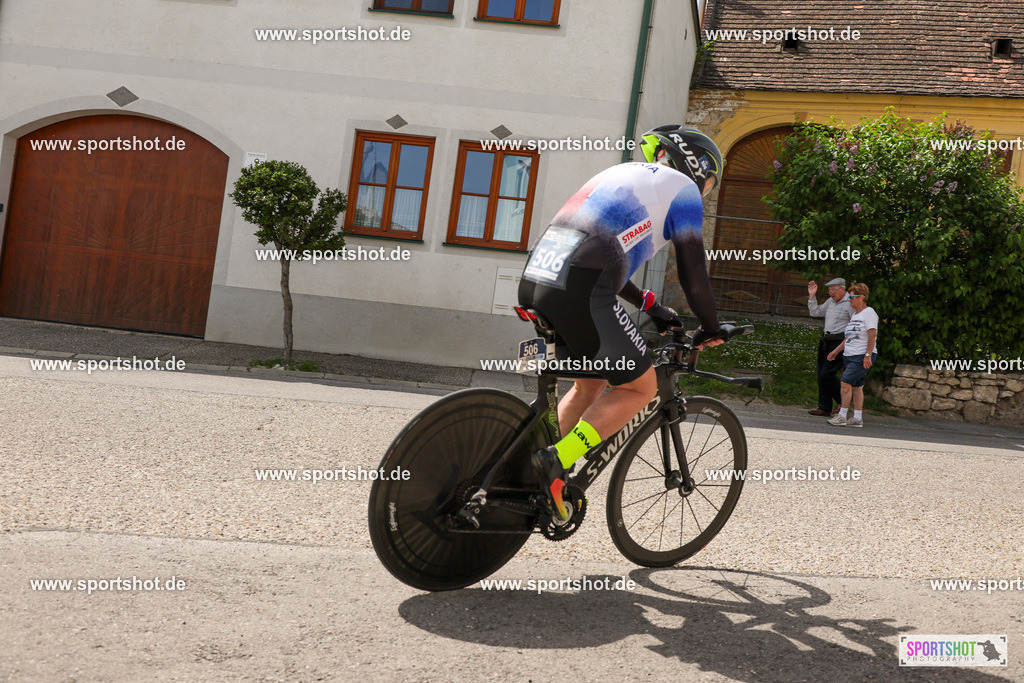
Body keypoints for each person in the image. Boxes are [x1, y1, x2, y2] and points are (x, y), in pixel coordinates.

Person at [518, 124, 727, 521]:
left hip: (537, 281)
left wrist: (649, 303)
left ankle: (530, 475)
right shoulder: (682, 190)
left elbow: (597, 252)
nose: (706, 192)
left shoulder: (619, 174)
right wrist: (712, 326)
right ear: (697, 166)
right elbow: (694, 274)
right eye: (710, 181)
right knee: (639, 388)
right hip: (580, 291)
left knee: (591, 383)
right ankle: (555, 461)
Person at [826, 282, 878, 428]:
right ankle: (857, 418)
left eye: (852, 297)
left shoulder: (869, 313)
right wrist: (836, 351)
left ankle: (842, 415)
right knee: (857, 387)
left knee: (845, 383)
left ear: (862, 297)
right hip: (850, 355)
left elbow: (872, 335)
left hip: (861, 355)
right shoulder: (855, 315)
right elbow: (849, 337)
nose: (849, 300)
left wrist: (868, 355)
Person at [807, 277, 853, 416]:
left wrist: (846, 343)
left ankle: (842, 401)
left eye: (834, 290)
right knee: (821, 374)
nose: (831, 293)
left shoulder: (850, 302)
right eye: (829, 290)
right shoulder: (830, 302)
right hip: (826, 340)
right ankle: (824, 407)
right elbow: (815, 312)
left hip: (839, 341)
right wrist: (812, 295)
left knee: (827, 373)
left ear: (842, 289)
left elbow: (856, 323)